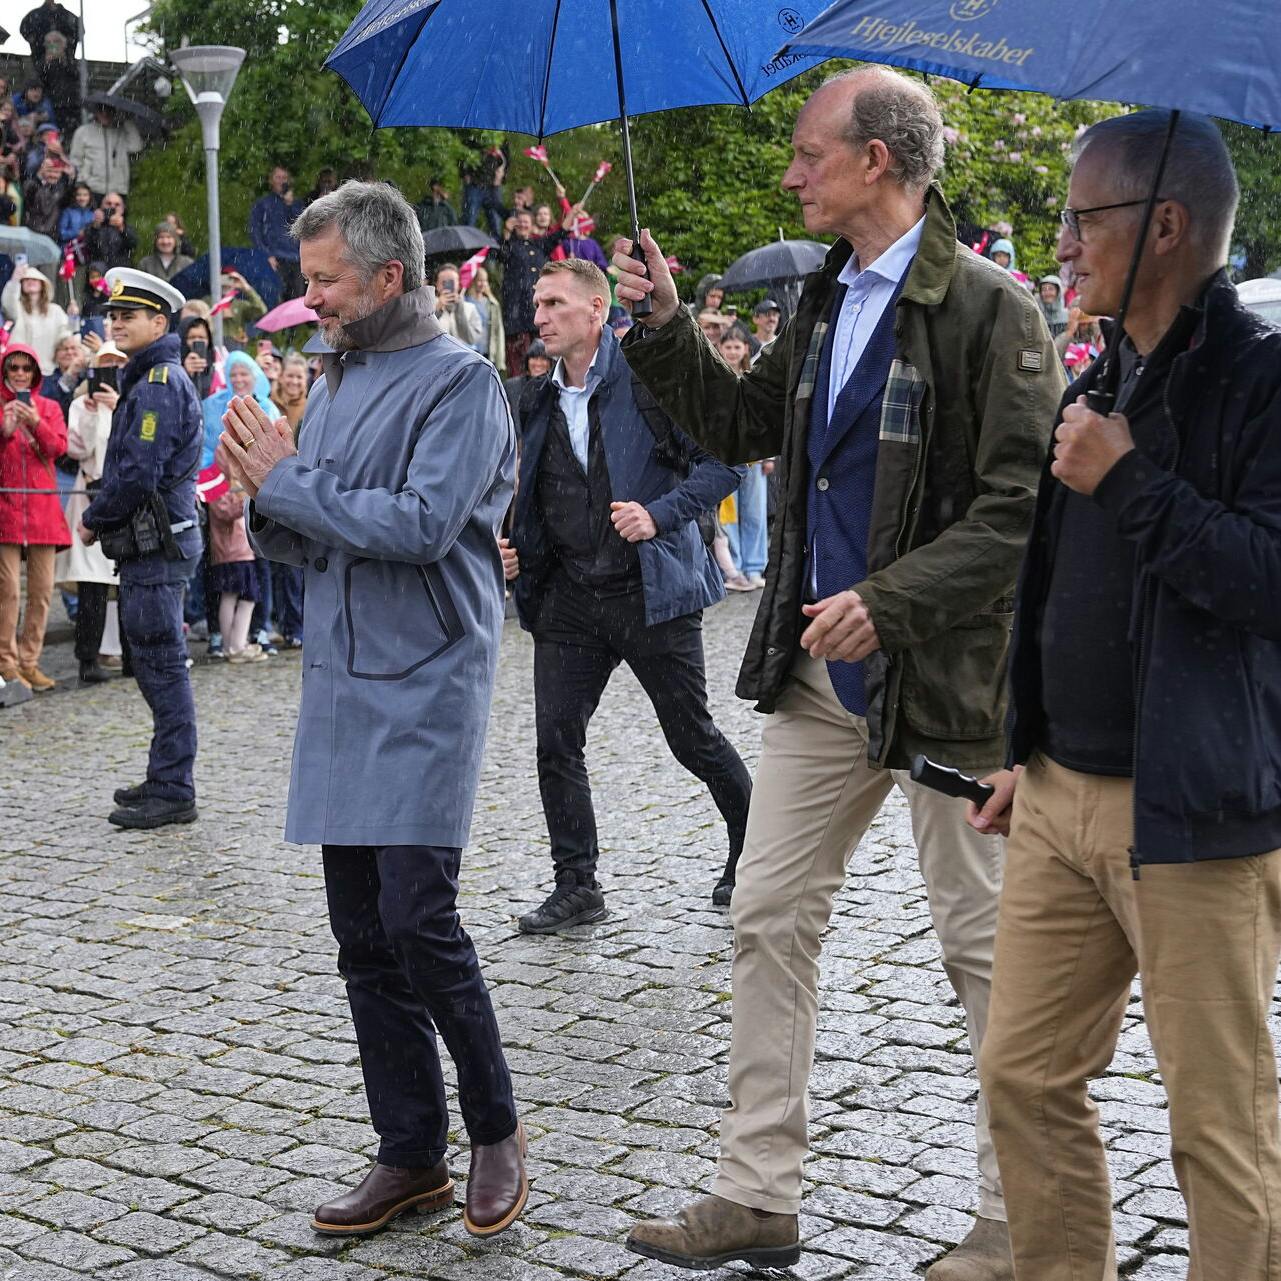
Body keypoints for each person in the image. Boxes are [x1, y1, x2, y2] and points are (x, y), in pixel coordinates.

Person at [612, 66, 1063, 1277]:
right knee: (767, 913)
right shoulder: (823, 299)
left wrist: (892, 599)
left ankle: (1020, 1223)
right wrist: (662, 330)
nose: (791, 172)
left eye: (810, 153)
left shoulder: (991, 311)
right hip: (819, 675)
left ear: (879, 160)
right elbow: (749, 428)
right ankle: (759, 1192)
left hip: (956, 687)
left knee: (984, 948)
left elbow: (1022, 512)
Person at [968, 110, 1281, 1281]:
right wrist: (1025, 748)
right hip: (1058, 796)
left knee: (1220, 1126)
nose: (1059, 242)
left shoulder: (1261, 380)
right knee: (1025, 1075)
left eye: (1080, 217)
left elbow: (1268, 578)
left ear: (1165, 226)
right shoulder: (1097, 378)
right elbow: (1060, 593)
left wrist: (1133, 480)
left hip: (1196, 814)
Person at [218, 179, 527, 1240]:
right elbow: (326, 528)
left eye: (325, 282)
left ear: (388, 276)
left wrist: (291, 484)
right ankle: (410, 1155)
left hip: (431, 675)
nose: (311, 303)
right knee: (360, 930)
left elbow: (421, 524)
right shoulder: (337, 375)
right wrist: (268, 496)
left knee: (417, 918)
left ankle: (495, 1129)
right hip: (343, 677)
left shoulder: (464, 384)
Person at [502, 257, 752, 927]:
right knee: (555, 740)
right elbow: (515, 490)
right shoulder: (531, 396)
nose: (540, 316)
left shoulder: (647, 380)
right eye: (537, 303)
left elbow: (724, 463)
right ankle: (577, 883)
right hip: (570, 598)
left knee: (690, 736)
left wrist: (658, 513)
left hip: (649, 591)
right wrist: (507, 546)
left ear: (594, 311)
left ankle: (754, 850)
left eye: (554, 303)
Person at [79, 268, 203, 830]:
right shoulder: (150, 378)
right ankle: (164, 775)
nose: (117, 322)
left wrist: (92, 519)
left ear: (160, 321)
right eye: (113, 315)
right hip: (154, 543)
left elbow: (137, 472)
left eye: (128, 316)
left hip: (158, 545)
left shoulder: (157, 385)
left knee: (161, 666)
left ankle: (174, 787)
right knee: (156, 665)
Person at [54, 341, 129, 683]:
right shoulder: (80, 406)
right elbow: (74, 449)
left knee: (127, 583)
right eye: (105, 365)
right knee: (93, 585)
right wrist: (88, 413)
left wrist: (118, 408)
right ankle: (87, 658)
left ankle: (132, 656)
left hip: (125, 498)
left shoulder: (134, 401)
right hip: (91, 495)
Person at [0, 341, 69, 691]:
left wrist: (37, 423)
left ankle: (30, 662)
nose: (20, 374)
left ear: (35, 373)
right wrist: (4, 432)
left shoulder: (50, 407)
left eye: (27, 368)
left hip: (41, 510)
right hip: (6, 510)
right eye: (13, 368)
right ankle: (6, 662)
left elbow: (58, 448)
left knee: (41, 592)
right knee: (7, 590)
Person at [716, 327, 769, 588]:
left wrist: (768, 454)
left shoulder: (753, 377)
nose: (733, 352)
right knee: (730, 515)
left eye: (738, 347)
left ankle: (755, 566)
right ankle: (734, 566)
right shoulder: (715, 377)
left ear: (746, 349)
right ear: (721, 349)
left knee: (755, 512)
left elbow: (763, 416)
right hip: (724, 455)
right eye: (729, 347)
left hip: (754, 455)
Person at [496, 206, 574, 375]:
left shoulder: (539, 244)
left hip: (539, 310)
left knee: (543, 356)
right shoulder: (509, 244)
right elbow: (500, 255)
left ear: (532, 226)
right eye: (520, 222)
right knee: (518, 359)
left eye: (527, 222)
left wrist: (572, 213)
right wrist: (506, 233)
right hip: (516, 313)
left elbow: (560, 233)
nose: (523, 225)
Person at [207, 481, 266, 664]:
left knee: (236, 596)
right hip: (232, 551)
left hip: (237, 550)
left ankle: (233, 644)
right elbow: (225, 512)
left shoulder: (222, 483)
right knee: (240, 597)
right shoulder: (216, 484)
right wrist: (246, 498)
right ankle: (235, 645)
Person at [249, 166, 305, 300]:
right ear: (271, 181)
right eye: (278, 177)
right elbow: (255, 231)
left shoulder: (297, 204)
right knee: (276, 296)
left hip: (296, 258)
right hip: (275, 258)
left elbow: (302, 228)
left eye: (284, 178)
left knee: (297, 297)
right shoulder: (263, 204)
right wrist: (265, 254)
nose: (281, 181)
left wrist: (290, 204)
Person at [4, 264, 69, 374]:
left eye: (35, 279)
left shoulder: (55, 310)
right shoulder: (17, 308)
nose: (30, 281)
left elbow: (67, 337)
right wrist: (15, 279)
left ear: (42, 284)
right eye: (26, 280)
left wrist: (73, 317)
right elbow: (8, 303)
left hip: (47, 371)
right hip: (20, 372)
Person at [69, 108, 143, 198]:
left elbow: (136, 147)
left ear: (115, 112)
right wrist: (84, 181)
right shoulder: (83, 132)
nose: (105, 113)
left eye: (109, 110)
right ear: (96, 112)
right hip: (92, 190)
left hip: (118, 191)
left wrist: (127, 120)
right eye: (101, 110)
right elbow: (75, 160)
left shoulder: (121, 132)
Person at [502, 337, 550, 432]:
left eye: (543, 359)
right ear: (527, 361)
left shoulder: (554, 388)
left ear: (550, 363)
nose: (538, 363)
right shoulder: (512, 386)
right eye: (534, 358)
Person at [83, 192, 138, 271]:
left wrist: (122, 228)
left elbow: (133, 245)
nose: (112, 207)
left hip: (120, 270)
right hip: (98, 272)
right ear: (101, 206)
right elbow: (88, 247)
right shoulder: (93, 225)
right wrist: (95, 226)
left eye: (117, 205)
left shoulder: (127, 226)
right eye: (108, 204)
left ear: (122, 209)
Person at [465, 264, 505, 368]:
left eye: (485, 280)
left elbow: (498, 332)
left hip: (487, 352)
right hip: (470, 351)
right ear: (473, 281)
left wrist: (499, 358)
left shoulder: (492, 304)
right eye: (480, 280)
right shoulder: (466, 301)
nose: (483, 284)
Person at [433, 262, 480, 346]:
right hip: (437, 357)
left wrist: (459, 309)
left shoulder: (470, 308)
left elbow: (471, 340)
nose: (447, 286)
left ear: (459, 284)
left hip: (463, 358)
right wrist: (437, 311)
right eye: (444, 282)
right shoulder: (428, 307)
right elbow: (422, 335)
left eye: (451, 282)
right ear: (437, 285)